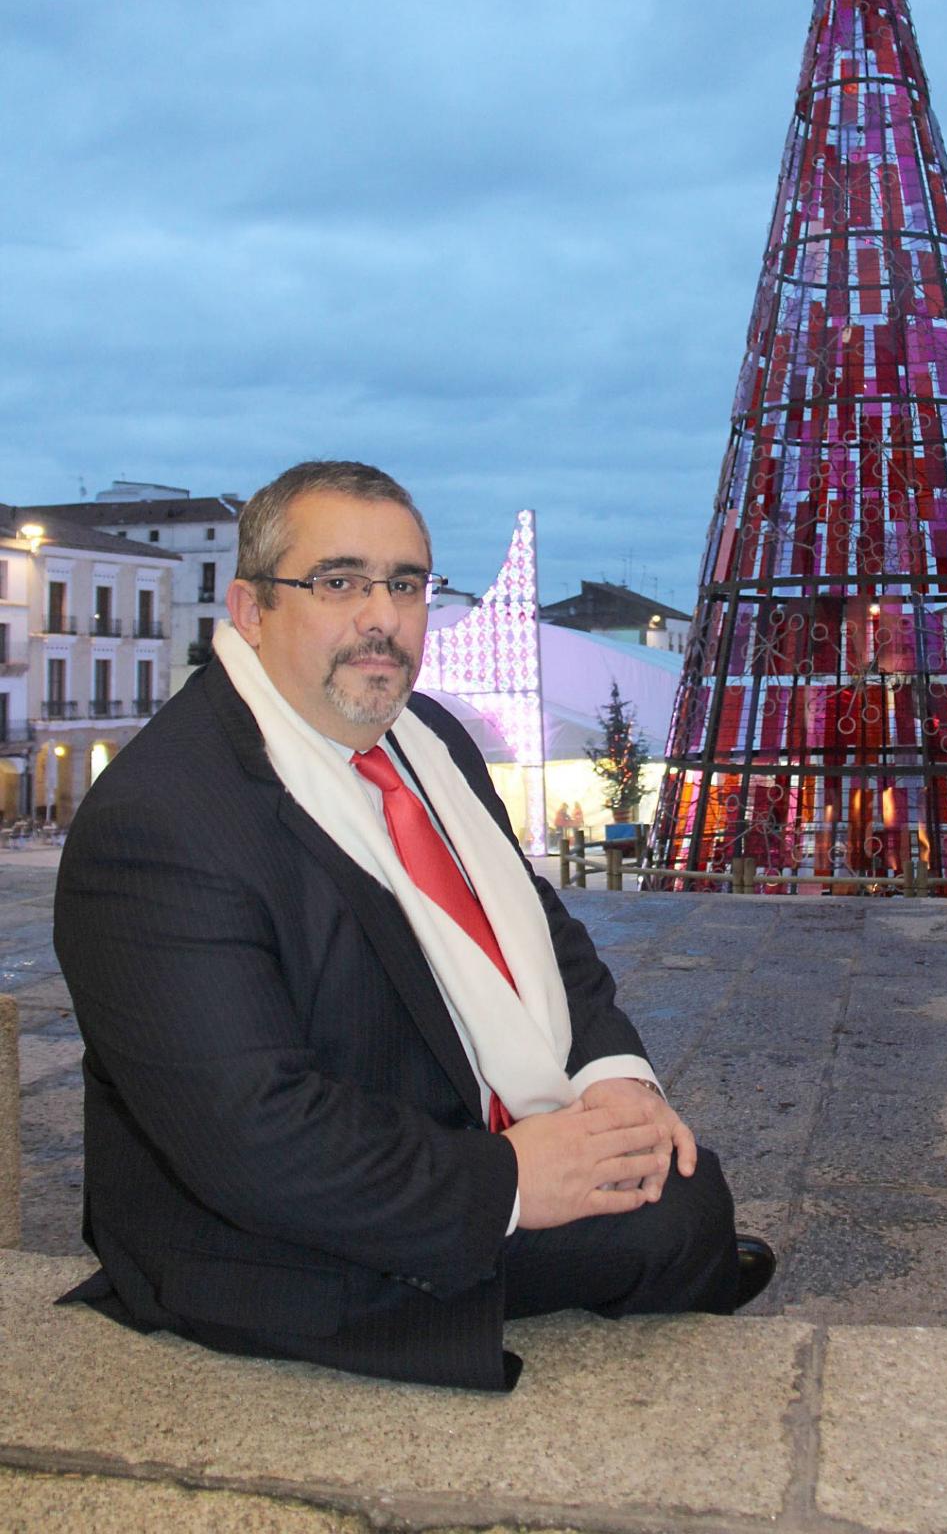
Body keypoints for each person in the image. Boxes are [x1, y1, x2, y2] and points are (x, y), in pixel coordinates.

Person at [54, 461, 774, 1390]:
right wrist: (514, 1179)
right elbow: (254, 1139)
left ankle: (671, 1256)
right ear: (250, 608)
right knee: (674, 1215)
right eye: (339, 582)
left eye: (404, 584)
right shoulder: (165, 822)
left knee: (664, 1169)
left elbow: (544, 935)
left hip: (423, 1126)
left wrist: (613, 1077)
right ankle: (680, 1269)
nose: (381, 617)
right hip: (269, 1235)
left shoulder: (427, 737)